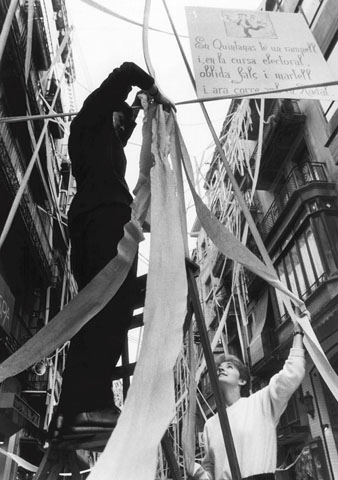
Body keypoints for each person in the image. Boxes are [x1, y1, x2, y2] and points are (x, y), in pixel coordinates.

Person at [49, 62, 175, 440]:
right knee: (110, 305)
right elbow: (125, 71)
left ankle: (76, 407)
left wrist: (140, 109)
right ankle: (89, 402)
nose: (125, 127)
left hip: (94, 219)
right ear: (108, 112)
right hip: (105, 218)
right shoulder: (91, 115)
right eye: (121, 119)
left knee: (97, 308)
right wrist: (155, 91)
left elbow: (119, 131)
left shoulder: (95, 144)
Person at [192, 322, 305, 480]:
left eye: (229, 366)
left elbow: (291, 374)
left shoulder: (260, 403)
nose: (221, 369)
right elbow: (210, 471)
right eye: (219, 368)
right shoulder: (210, 425)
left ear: (242, 381)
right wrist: (195, 470)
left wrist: (298, 334)